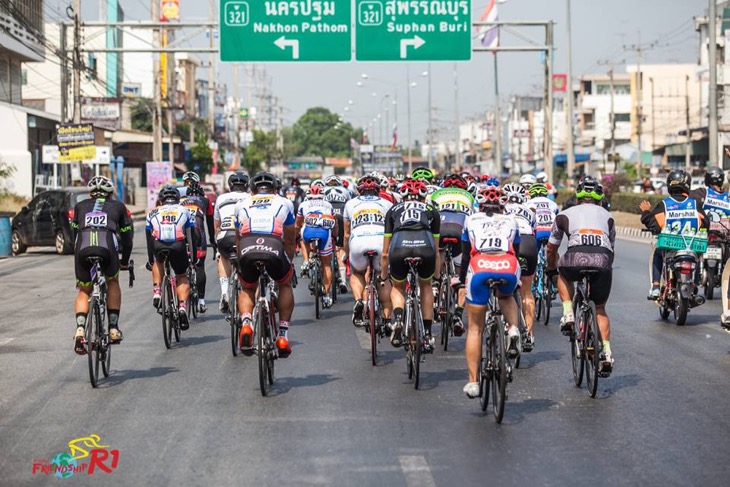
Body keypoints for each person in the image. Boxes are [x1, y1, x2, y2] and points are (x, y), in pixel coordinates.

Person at [546, 176, 616, 376]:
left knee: (563, 274)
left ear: (578, 198)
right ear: (600, 199)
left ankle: (568, 313)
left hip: (574, 259)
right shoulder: (609, 217)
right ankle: (607, 354)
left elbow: (552, 249)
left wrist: (552, 269)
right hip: (602, 261)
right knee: (600, 308)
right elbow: (611, 252)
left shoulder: (563, 215)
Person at [460, 186, 522, 398]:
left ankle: (473, 382)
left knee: (475, 328)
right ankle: (513, 328)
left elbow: (466, 254)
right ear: (502, 205)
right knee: (506, 295)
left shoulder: (471, 219)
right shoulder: (511, 220)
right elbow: (518, 249)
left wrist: (460, 282)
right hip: (507, 263)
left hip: (480, 265)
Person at [234, 172, 296, 357]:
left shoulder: (242, 204)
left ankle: (246, 324)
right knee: (284, 283)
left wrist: (241, 260)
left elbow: (238, 237)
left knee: (248, 288)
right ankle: (283, 335)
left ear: (252, 190)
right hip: (273, 245)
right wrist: (289, 262)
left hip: (247, 246)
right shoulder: (284, 203)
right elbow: (291, 238)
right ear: (275, 189)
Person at [71, 176, 134, 353]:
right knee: (113, 281)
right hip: (107, 248)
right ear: (110, 194)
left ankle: (80, 329)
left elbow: (74, 234)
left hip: (82, 248)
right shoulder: (119, 207)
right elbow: (127, 241)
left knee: (84, 290)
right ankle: (113, 328)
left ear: (90, 194)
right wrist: (123, 262)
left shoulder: (80, 206)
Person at [380, 179, 440, 351]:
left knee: (398, 286)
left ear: (403, 197)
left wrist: (384, 276)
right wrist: (436, 277)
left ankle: (398, 319)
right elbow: (436, 252)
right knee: (426, 285)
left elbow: (384, 253)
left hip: (400, 247)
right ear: (423, 197)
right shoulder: (431, 210)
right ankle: (427, 334)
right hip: (425, 247)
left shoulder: (393, 210)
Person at [640, 169, 708, 300]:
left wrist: (645, 212)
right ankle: (695, 281)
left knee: (658, 254)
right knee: (698, 256)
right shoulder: (695, 204)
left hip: (670, 245)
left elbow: (652, 223)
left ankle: (655, 287)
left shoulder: (665, 204)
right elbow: (706, 223)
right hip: (691, 246)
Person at [428, 173, 475, 336]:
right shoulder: (469, 196)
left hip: (441, 228)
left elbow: (429, 217)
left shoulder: (435, 194)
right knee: (463, 277)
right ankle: (458, 315)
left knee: (438, 252)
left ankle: (435, 285)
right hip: (459, 230)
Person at [344, 176, 394, 328]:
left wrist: (347, 254)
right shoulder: (387, 203)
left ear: (359, 191)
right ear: (378, 191)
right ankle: (386, 320)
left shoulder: (351, 203)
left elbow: (346, 234)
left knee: (357, 273)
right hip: (380, 242)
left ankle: (359, 300)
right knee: (384, 279)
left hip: (358, 242)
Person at [146, 185, 197, 329]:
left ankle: (157, 291)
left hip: (158, 245)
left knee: (158, 261)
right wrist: (193, 258)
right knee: (181, 275)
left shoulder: (152, 212)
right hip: (177, 246)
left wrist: (151, 260)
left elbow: (149, 239)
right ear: (177, 199)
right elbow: (191, 236)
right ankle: (181, 307)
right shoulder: (184, 210)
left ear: (161, 200)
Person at [690, 167, 730, 327]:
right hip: (724, 236)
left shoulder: (702, 193)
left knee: (692, 256)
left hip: (706, 234)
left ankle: (693, 283)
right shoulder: (727, 196)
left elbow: (687, 203)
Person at [503, 182, 538, 350]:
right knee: (527, 290)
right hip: (529, 244)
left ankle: (509, 326)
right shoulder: (530, 212)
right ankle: (529, 335)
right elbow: (534, 234)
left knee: (503, 289)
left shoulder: (501, 210)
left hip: (510, 244)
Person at [214, 172, 250, 312]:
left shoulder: (221, 198)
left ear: (230, 186)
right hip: (244, 236)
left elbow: (217, 226)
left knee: (222, 257)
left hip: (225, 236)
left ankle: (224, 292)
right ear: (247, 186)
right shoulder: (250, 198)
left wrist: (216, 244)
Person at [296, 184, 337, 309]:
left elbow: (298, 224)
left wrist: (296, 236)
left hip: (308, 232)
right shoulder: (328, 205)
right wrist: (335, 237)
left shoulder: (303, 204)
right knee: (326, 265)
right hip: (324, 233)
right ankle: (326, 295)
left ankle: (306, 260)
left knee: (302, 238)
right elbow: (334, 225)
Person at [180, 178, 215, 313]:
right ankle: (201, 301)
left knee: (181, 268)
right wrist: (212, 240)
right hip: (198, 235)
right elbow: (210, 224)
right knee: (200, 266)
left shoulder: (181, 201)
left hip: (182, 236)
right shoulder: (205, 201)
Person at [324, 175, 351, 294]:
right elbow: (350, 207)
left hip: (327, 217)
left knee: (324, 249)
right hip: (341, 216)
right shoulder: (346, 191)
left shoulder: (323, 191)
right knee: (339, 249)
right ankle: (343, 281)